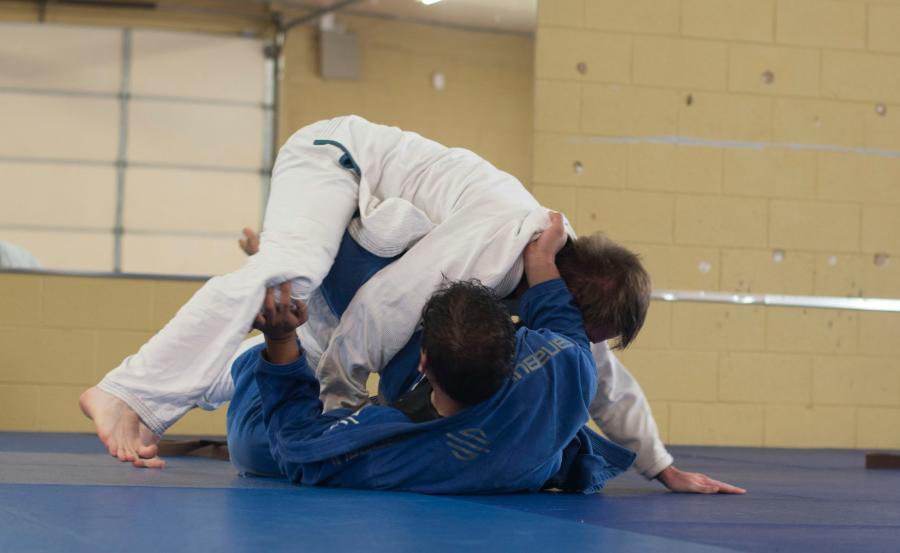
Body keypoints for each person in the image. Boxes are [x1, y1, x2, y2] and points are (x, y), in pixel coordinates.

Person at [80, 115, 742, 493]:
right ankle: (128, 391)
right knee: (293, 271)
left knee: (300, 326)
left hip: (375, 228)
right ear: (566, 292)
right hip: (332, 160)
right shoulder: (492, 246)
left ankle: (236, 368)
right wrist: (338, 412)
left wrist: (662, 465)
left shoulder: (556, 288)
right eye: (586, 324)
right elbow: (379, 307)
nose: (581, 336)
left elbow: (602, 375)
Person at [225, 216, 636, 493]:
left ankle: (267, 350)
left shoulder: (393, 448)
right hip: (500, 444)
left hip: (298, 382)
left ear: (424, 362)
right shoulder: (565, 367)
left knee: (255, 449)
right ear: (514, 347)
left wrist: (280, 342)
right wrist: (544, 261)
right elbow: (561, 318)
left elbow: (295, 446)